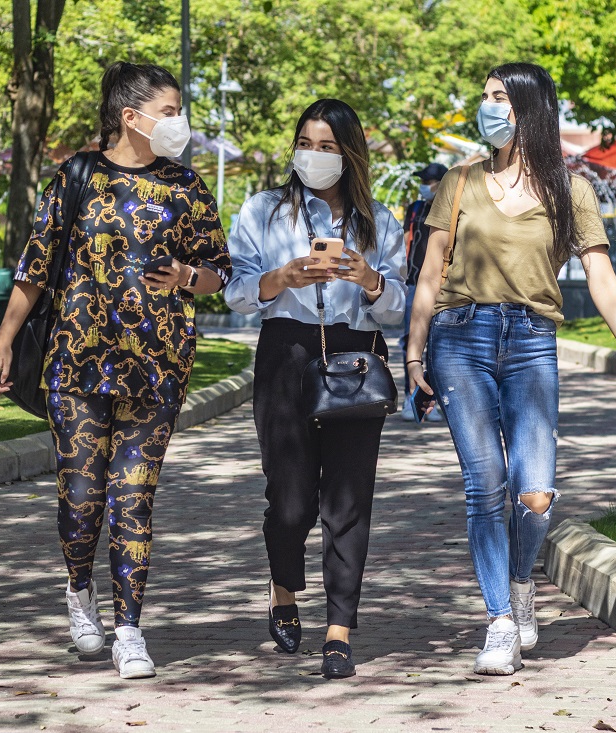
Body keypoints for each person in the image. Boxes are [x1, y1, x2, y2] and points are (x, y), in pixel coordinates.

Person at [0, 61, 231, 680]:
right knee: (81, 497)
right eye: (170, 111)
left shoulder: (186, 186)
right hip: (78, 363)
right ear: (132, 116)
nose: (179, 122)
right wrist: (6, 339)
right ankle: (78, 589)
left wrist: (185, 277)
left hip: (157, 366)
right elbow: (35, 266)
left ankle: (129, 629)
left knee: (133, 499)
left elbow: (219, 273)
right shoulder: (76, 176)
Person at [404, 62, 616, 676]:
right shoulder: (458, 182)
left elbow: (600, 274)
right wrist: (412, 353)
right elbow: (430, 274)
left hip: (532, 341)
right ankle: (500, 621)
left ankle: (519, 583)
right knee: (485, 488)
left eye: (500, 99)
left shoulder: (571, 192)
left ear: (529, 110)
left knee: (534, 493)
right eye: (485, 97)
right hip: (460, 340)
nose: (487, 108)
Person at [225, 99, 406, 679]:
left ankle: (339, 629)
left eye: (328, 146)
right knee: (291, 499)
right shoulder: (263, 211)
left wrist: (371, 280)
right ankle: (283, 588)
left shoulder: (379, 220)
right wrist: (284, 277)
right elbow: (234, 289)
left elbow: (399, 311)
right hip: (286, 353)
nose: (315, 155)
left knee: (348, 499)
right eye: (307, 143)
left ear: (350, 153)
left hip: (356, 356)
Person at [399, 162, 448, 421]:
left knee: (436, 344)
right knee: (411, 341)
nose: (424, 186)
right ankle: (411, 398)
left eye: (429, 182)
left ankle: (433, 401)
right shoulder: (415, 208)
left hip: (440, 285)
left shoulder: (451, 208)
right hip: (413, 282)